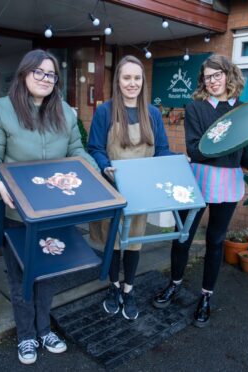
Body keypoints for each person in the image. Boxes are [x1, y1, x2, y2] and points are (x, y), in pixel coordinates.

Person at [0, 49, 98, 365]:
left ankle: (44, 329)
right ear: (24, 74)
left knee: (49, 275)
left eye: (51, 74)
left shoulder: (66, 114)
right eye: (38, 72)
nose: (45, 79)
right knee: (21, 279)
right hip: (16, 213)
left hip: (56, 211)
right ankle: (26, 336)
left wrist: (95, 172)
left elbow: (76, 151)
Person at [152, 54, 248, 328]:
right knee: (183, 237)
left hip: (228, 182)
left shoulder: (242, 110)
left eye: (217, 75)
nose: (212, 81)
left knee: (215, 241)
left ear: (228, 75)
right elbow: (195, 150)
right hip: (196, 181)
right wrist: (227, 145)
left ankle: (206, 296)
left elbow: (243, 155)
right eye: (208, 77)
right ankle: (174, 284)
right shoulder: (196, 108)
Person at [87, 55, 174, 320]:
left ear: (143, 81)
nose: (132, 83)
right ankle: (113, 287)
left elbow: (161, 150)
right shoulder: (105, 111)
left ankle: (129, 289)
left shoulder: (153, 114)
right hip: (111, 189)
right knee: (113, 241)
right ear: (118, 81)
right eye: (127, 77)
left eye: (137, 78)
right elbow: (95, 148)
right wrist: (104, 166)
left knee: (134, 242)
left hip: (140, 191)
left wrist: (179, 162)